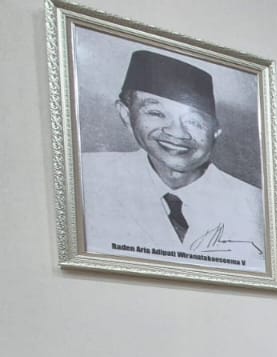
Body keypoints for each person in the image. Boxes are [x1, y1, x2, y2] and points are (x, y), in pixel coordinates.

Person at [80, 49, 265, 271]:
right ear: (126, 115)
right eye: (156, 113)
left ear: (216, 131)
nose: (177, 133)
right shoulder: (86, 176)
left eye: (194, 121)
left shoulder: (256, 205)